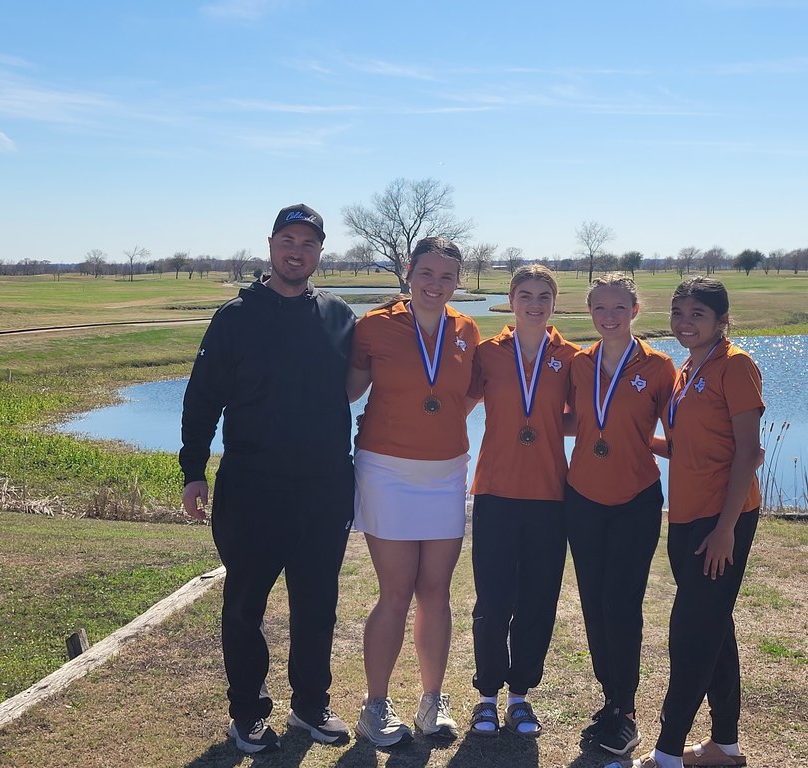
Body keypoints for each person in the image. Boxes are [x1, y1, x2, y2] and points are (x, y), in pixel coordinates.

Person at [179, 204, 356, 755]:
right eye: (287, 239)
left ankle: (310, 705)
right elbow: (202, 397)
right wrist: (193, 470)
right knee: (245, 604)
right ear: (271, 245)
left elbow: (368, 382)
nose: (296, 250)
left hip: (323, 488)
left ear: (319, 253)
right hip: (252, 487)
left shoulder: (339, 316)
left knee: (316, 603)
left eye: (307, 242)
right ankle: (248, 714)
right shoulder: (236, 317)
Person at [608, 275, 764, 768]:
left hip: (723, 521)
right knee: (715, 627)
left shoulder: (735, 366)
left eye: (697, 314)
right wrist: (629, 436)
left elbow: (747, 454)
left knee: (691, 633)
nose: (685, 323)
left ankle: (668, 753)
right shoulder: (686, 372)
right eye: (679, 313)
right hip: (685, 516)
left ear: (721, 320)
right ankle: (724, 746)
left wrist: (723, 530)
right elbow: (681, 446)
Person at [346, 236, 481, 747]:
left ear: (457, 281)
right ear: (409, 270)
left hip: (446, 474)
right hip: (387, 471)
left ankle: (432, 700)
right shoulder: (374, 327)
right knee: (396, 592)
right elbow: (348, 389)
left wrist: (437, 425)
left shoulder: (466, 329)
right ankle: (375, 705)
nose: (436, 284)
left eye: (447, 276)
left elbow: (466, 394)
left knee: (436, 593)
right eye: (427, 272)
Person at [465, 265, 581, 737]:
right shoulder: (487, 354)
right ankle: (487, 696)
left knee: (538, 601)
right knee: (493, 600)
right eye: (526, 295)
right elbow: (456, 403)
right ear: (511, 300)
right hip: (495, 492)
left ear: (554, 303)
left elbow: (580, 419)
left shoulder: (572, 356)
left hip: (551, 497)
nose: (535, 304)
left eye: (544, 296)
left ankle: (519, 696)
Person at [566, 272, 677, 757]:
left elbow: (676, 437)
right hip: (583, 495)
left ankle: (626, 711)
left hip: (635, 498)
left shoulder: (659, 366)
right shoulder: (577, 362)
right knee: (593, 600)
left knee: (622, 602)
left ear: (634, 310)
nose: (608, 318)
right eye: (599, 309)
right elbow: (571, 418)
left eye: (618, 308)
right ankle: (609, 700)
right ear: (590, 313)